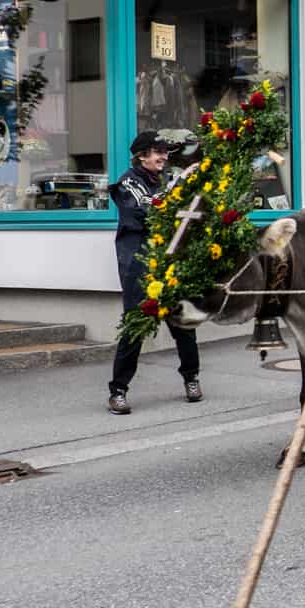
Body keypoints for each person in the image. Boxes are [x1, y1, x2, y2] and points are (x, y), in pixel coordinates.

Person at [107, 131, 202, 414]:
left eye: (165, 152)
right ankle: (118, 392)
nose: (164, 157)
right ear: (142, 156)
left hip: (168, 262)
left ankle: (192, 378)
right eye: (158, 152)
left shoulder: (165, 178)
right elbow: (150, 209)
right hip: (139, 265)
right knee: (135, 327)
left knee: (182, 323)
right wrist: (180, 183)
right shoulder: (127, 183)